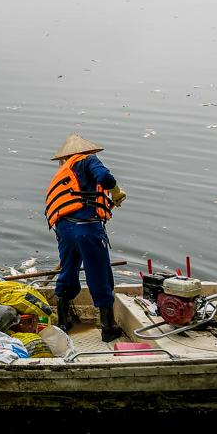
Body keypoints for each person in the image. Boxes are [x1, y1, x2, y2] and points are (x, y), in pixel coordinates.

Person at [43, 133, 127, 342]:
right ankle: (108, 328)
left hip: (64, 229)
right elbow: (106, 178)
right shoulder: (89, 159)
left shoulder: (65, 170)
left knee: (68, 270)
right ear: (87, 151)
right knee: (99, 275)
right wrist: (116, 193)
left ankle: (63, 322)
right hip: (87, 230)